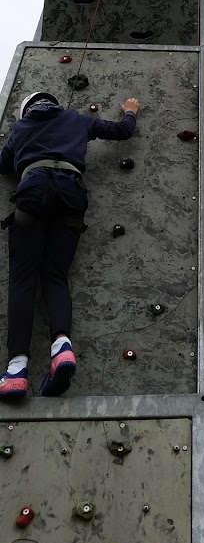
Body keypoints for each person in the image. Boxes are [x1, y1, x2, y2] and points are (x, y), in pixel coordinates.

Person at [0, 91, 140, 399]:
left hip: (33, 193)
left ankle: (16, 370)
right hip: (72, 195)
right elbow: (121, 131)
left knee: (24, 280)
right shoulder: (76, 118)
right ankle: (62, 349)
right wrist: (130, 112)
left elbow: (3, 165)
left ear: (27, 110)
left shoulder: (20, 128)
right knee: (55, 276)